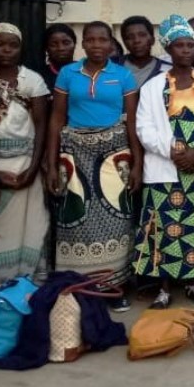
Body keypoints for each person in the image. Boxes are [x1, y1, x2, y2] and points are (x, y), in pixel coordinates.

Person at [131, 15, 194, 309]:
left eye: (191, 45)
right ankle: (163, 289)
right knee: (164, 228)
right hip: (164, 168)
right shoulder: (151, 87)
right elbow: (143, 128)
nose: (187, 50)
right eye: (180, 45)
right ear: (169, 49)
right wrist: (175, 154)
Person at [46, 20, 142, 298]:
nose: (97, 45)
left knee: (118, 219)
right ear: (83, 43)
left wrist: (137, 164)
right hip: (74, 153)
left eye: (103, 40)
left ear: (111, 44)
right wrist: (51, 164)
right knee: (74, 220)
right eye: (91, 40)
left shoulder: (123, 76)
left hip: (115, 154)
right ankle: (78, 287)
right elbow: (56, 119)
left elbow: (133, 123)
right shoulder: (67, 73)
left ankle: (115, 287)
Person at [0, 23, 50, 293]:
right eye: (0, 43)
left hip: (27, 164)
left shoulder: (33, 81)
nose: (7, 50)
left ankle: (26, 282)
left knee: (31, 224)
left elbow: (41, 126)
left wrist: (32, 168)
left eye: (13, 44)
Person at [119, 15, 169, 87]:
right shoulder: (112, 66)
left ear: (152, 40)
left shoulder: (168, 70)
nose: (137, 40)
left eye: (142, 35)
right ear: (124, 42)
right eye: (130, 37)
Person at [41, 23, 77, 93]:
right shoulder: (40, 77)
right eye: (53, 44)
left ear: (74, 44)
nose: (61, 48)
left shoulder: (84, 72)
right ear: (46, 48)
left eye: (66, 43)